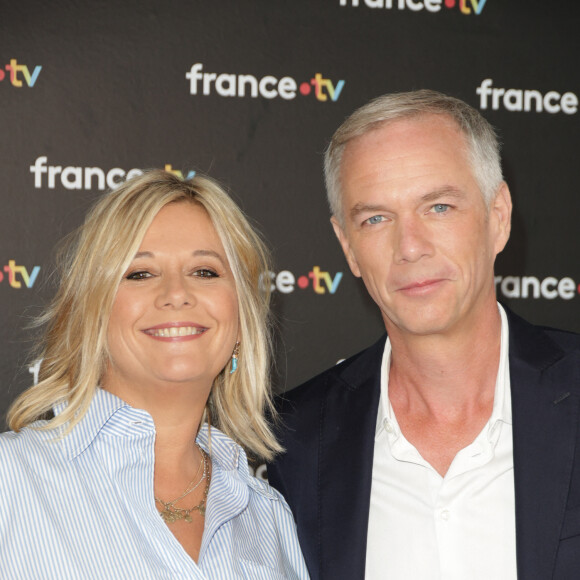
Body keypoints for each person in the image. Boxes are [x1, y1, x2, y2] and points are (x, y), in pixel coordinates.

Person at [267, 90, 580, 580]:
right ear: (348, 247)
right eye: (375, 219)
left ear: (498, 217)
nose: (409, 247)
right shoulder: (294, 442)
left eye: (438, 207)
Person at [0, 169, 309, 579]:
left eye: (205, 271)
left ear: (241, 319)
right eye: (140, 274)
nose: (177, 293)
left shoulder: (268, 518)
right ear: (92, 311)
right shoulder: (11, 480)